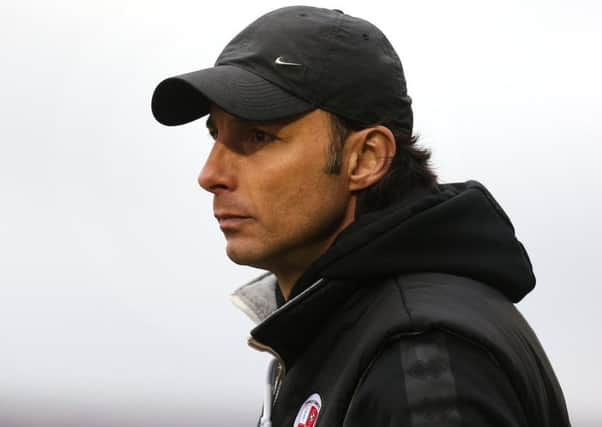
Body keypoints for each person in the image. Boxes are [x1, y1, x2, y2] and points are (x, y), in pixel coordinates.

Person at [151, 6, 570, 427]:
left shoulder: (421, 355)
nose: (210, 175)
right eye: (215, 135)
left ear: (366, 159)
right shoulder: (344, 327)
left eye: (258, 136)